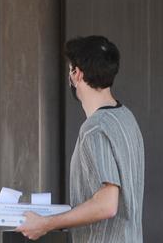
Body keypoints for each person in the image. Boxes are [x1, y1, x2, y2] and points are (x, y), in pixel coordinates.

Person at [17, 35, 145, 242]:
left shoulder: (94, 129)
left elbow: (107, 204)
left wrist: (45, 224)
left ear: (76, 74)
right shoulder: (127, 118)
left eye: (70, 69)